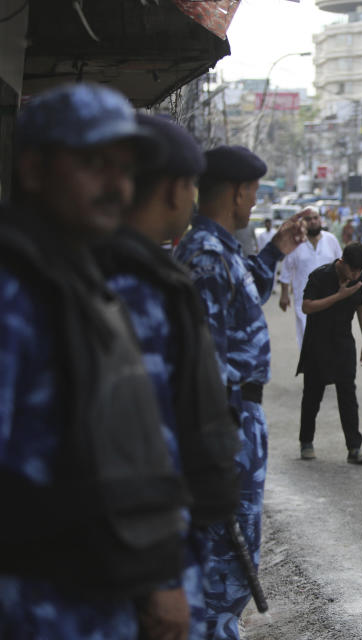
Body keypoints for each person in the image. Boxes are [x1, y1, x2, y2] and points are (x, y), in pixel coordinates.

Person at [0, 82, 190, 640]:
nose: (117, 185)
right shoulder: (15, 290)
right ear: (34, 170)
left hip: (96, 595)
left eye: (124, 167)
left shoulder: (78, 277)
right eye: (92, 163)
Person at [95, 114, 243, 640]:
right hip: (145, 547)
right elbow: (141, 439)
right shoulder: (132, 283)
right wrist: (162, 572)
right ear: (178, 189)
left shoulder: (146, 272)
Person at [174, 145, 306, 639]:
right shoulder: (205, 255)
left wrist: (275, 250)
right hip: (225, 421)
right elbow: (204, 364)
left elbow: (247, 283)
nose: (254, 199)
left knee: (234, 556)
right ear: (236, 191)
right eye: (252, 190)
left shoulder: (222, 250)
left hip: (238, 419)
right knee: (222, 563)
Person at [297, 243, 362, 464]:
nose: (356, 275)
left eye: (360, 271)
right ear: (342, 263)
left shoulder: (360, 280)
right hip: (317, 344)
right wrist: (339, 296)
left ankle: (354, 448)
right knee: (312, 395)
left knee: (348, 395)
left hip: (343, 343)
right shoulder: (320, 276)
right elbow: (307, 307)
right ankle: (306, 442)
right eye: (353, 270)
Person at [278, 208, 342, 347]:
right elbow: (286, 269)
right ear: (302, 223)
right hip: (304, 300)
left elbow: (341, 266)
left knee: (329, 340)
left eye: (315, 218)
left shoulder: (331, 240)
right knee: (307, 339)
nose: (312, 221)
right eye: (308, 219)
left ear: (320, 220)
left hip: (330, 298)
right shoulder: (296, 243)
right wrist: (284, 295)